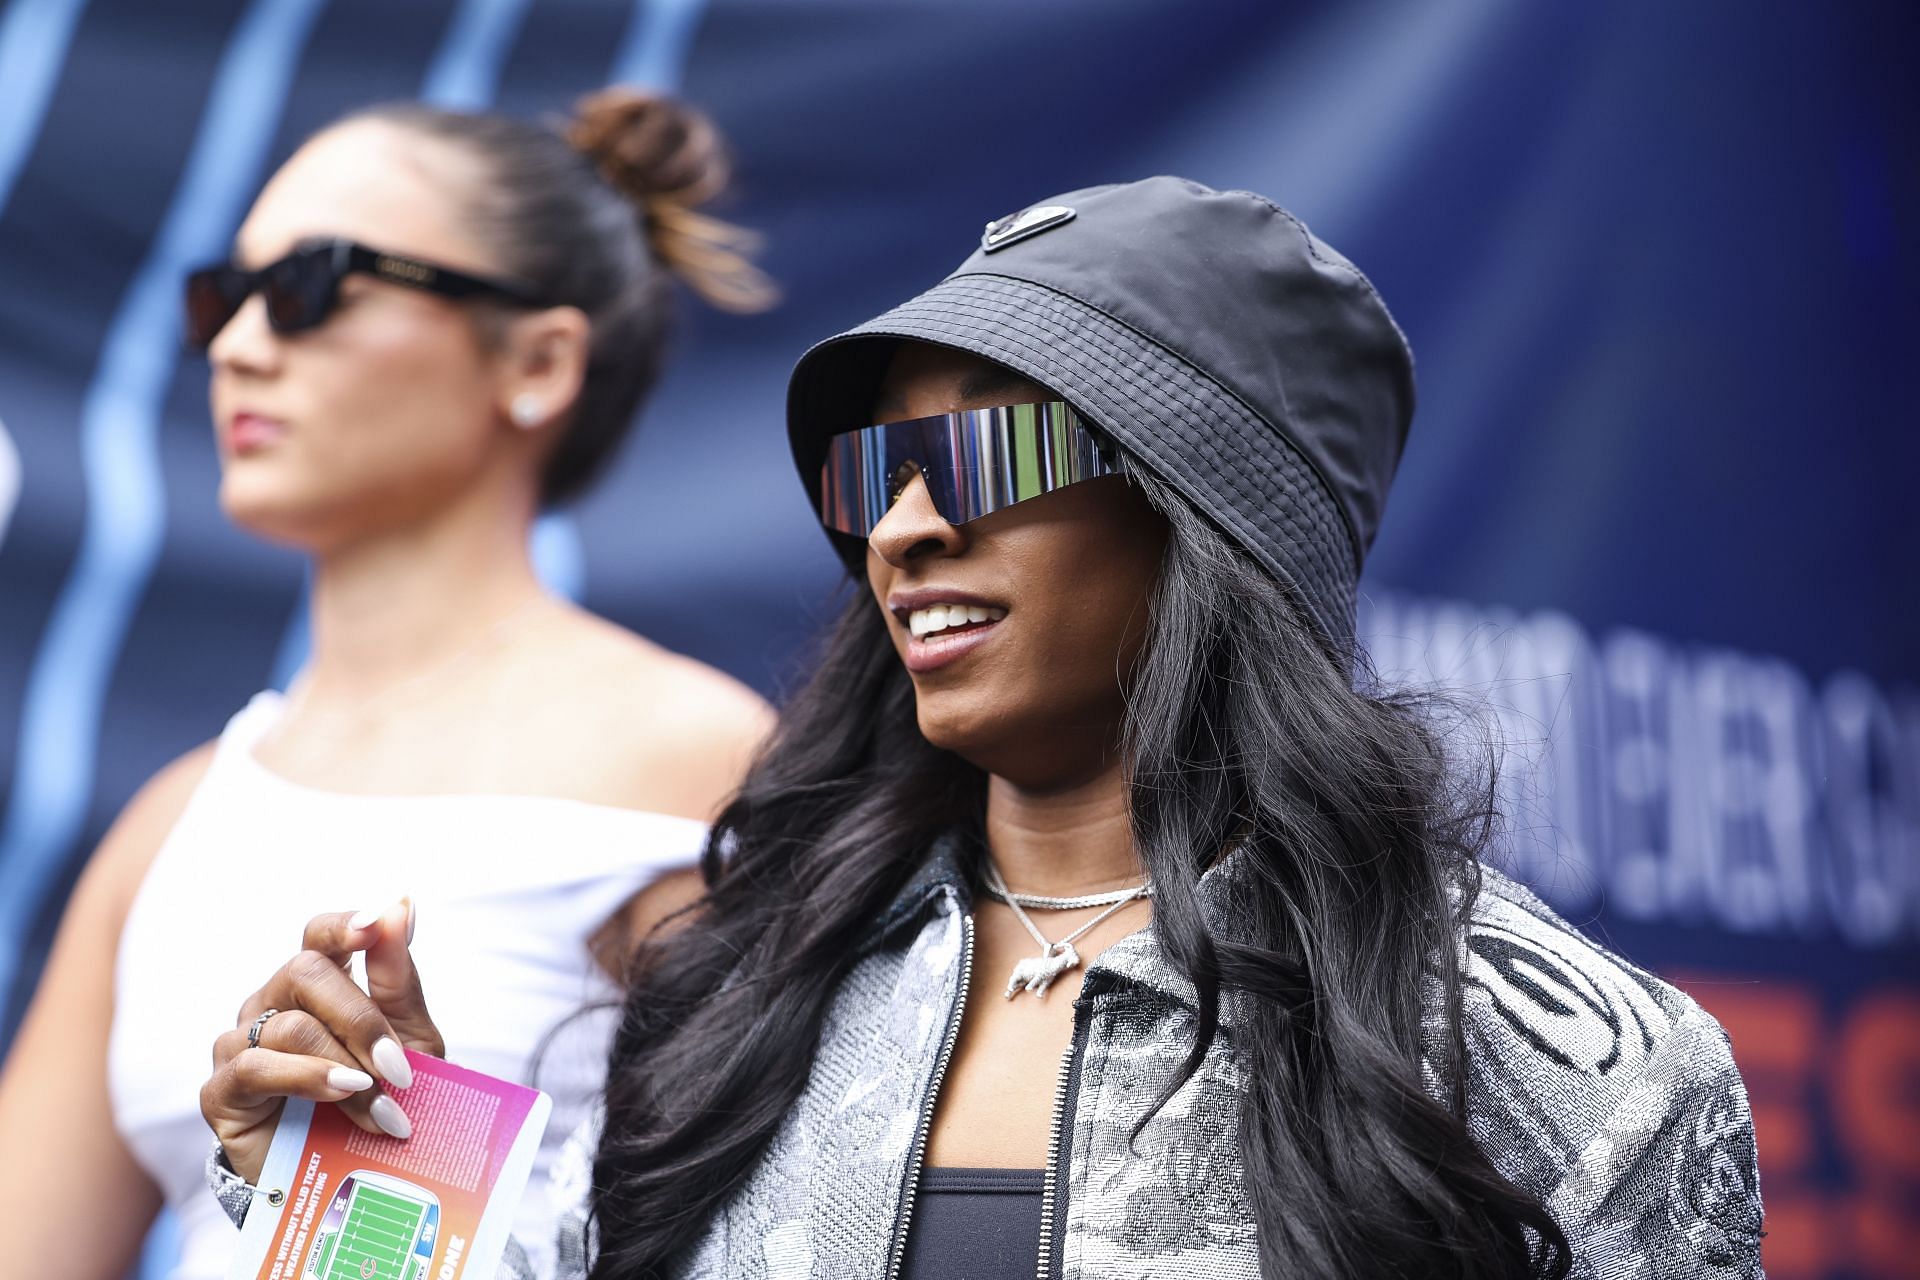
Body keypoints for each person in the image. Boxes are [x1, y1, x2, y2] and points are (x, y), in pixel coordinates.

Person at [201, 178, 1764, 1278]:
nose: (906, 526)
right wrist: (381, 1159)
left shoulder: (1570, 1057)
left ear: (1209, 515)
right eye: (873, 474)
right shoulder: (748, 982)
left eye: (990, 450)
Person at [0, 88, 775, 1280]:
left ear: (538, 358)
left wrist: (384, 1187)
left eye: (314, 283)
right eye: (225, 297)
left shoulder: (684, 758)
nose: (241, 342)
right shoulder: (173, 820)